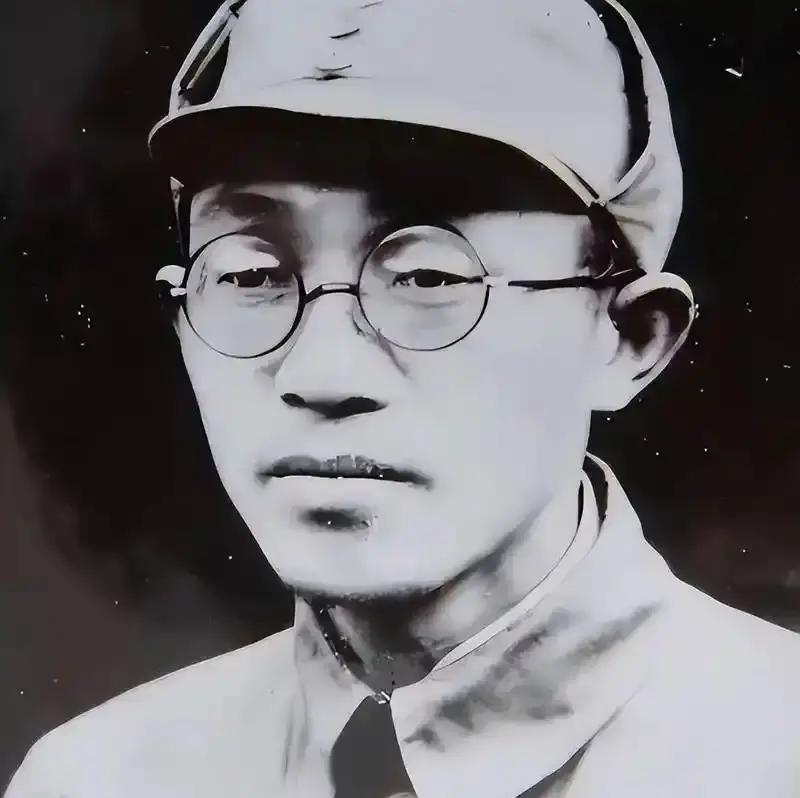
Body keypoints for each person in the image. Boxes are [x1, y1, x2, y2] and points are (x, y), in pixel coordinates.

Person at [7, 0, 800, 796]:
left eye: (429, 276)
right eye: (250, 274)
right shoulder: (96, 779)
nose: (322, 373)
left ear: (628, 338)